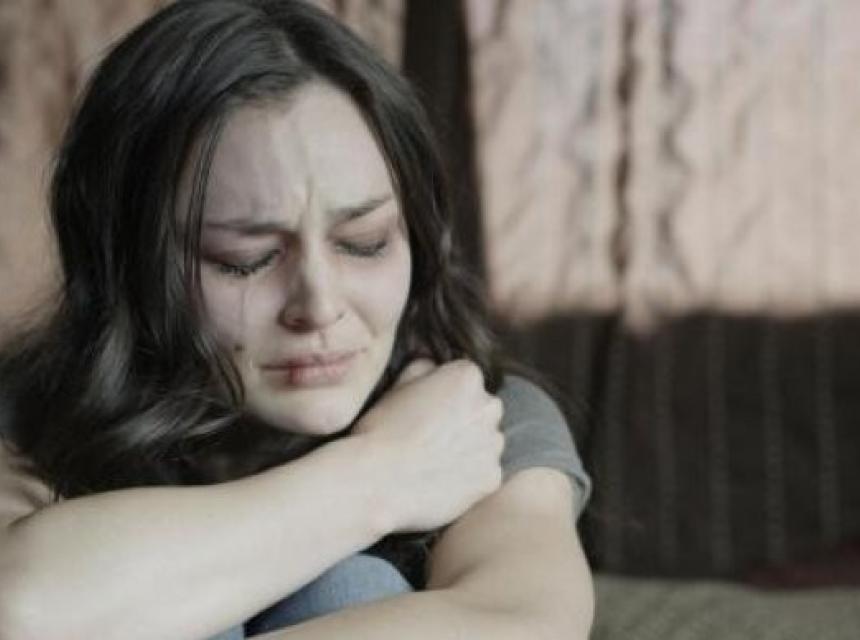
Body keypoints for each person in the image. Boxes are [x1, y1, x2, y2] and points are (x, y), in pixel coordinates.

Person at [0, 0, 594, 638]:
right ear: (129, 262)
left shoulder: (472, 417)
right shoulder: (26, 415)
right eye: (245, 260)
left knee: (348, 588)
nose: (319, 306)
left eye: (365, 243)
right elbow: (20, 608)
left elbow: (523, 622)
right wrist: (383, 474)